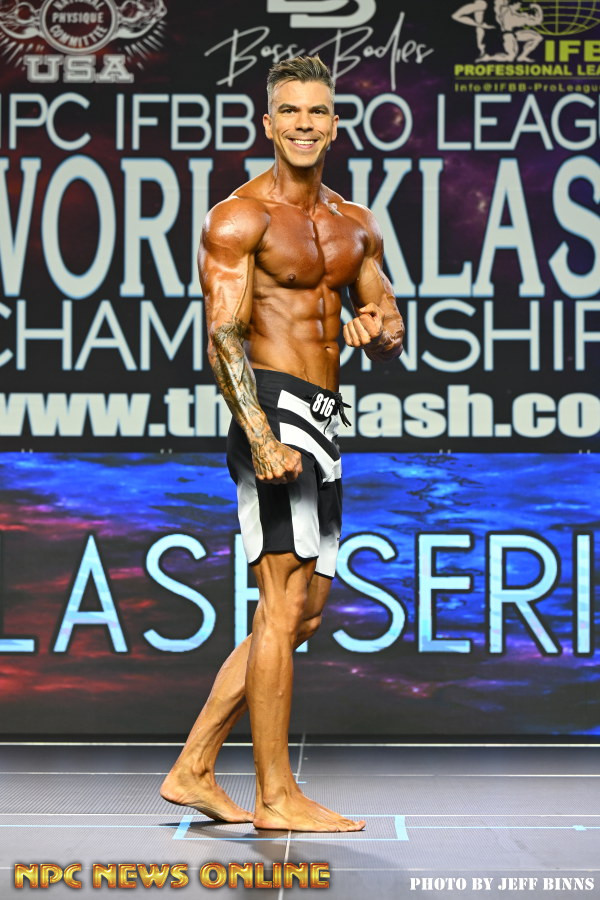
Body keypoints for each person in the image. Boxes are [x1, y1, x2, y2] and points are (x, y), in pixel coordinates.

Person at [160, 55, 404, 833]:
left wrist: (379, 331)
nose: (304, 123)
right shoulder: (240, 218)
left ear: (334, 125)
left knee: (305, 612)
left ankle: (194, 767)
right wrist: (260, 436)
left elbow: (389, 324)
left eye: (317, 111)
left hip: (325, 415)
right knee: (281, 599)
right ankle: (274, 795)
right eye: (290, 111)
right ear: (268, 124)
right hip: (271, 406)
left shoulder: (355, 223)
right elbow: (223, 336)